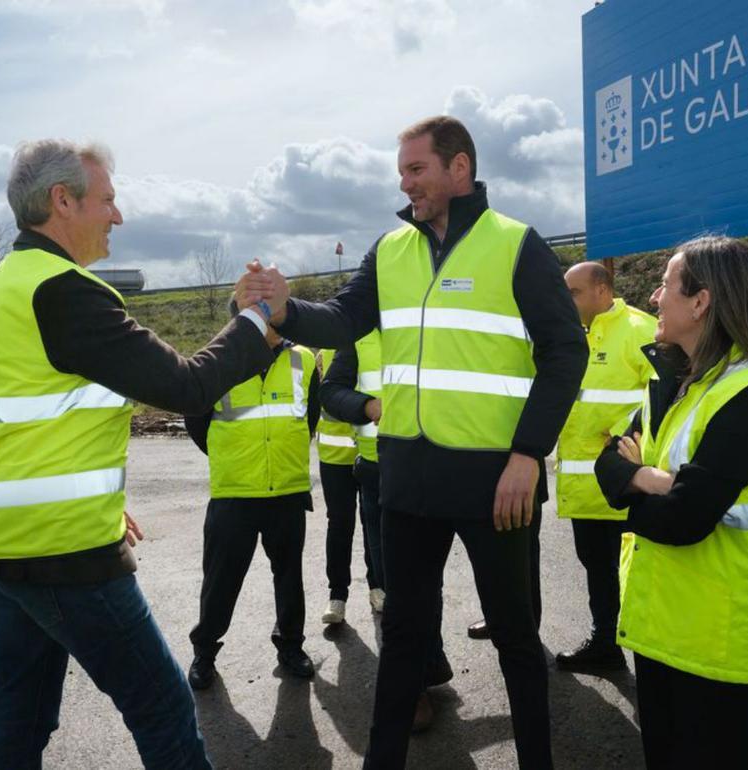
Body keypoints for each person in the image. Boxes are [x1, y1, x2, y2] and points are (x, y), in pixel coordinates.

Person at [242, 115, 588, 768]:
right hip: (407, 478)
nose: (405, 183)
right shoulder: (389, 250)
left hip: (495, 480)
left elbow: (566, 350)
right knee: (403, 637)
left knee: (516, 639)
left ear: (460, 168)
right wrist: (284, 310)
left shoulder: (516, 244)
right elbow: (342, 318)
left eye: (416, 169)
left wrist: (528, 453)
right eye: (401, 171)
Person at [0, 139, 281, 769]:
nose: (118, 215)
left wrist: (98, 500)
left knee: (19, 718)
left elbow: (19, 425)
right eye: (107, 200)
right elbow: (186, 386)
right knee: (164, 709)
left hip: (2, 545)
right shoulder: (63, 292)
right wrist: (254, 322)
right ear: (62, 200)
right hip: (62, 552)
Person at [594, 236, 748, 770]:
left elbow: (684, 520)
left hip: (717, 634)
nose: (653, 298)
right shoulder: (680, 383)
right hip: (663, 625)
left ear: (701, 301)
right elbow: (606, 465)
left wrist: (639, 480)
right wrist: (653, 479)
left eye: (664, 284)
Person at [319, 331, 453, 732]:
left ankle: (424, 669)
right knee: (396, 581)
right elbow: (331, 392)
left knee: (422, 579)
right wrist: (367, 405)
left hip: (434, 467)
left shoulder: (434, 323)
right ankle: (419, 677)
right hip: (378, 475)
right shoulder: (357, 337)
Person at [183, 321, 320, 686]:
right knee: (221, 580)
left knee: (289, 577)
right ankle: (204, 652)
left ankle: (291, 646)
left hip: (287, 491)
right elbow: (196, 419)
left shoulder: (303, 360)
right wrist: (231, 457)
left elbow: (309, 418)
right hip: (234, 492)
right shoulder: (217, 359)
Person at [553, 261, 655, 673]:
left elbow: (664, 393)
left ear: (602, 289)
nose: (567, 300)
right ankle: (605, 644)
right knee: (597, 568)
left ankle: (651, 656)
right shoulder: (571, 333)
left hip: (624, 482)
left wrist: (620, 435)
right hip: (585, 487)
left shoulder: (640, 329)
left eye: (574, 292)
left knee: (636, 573)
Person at [314, 347, 383, 625]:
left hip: (369, 452)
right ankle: (337, 596)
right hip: (336, 455)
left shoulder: (368, 344)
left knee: (372, 523)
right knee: (340, 524)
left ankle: (377, 587)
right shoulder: (324, 352)